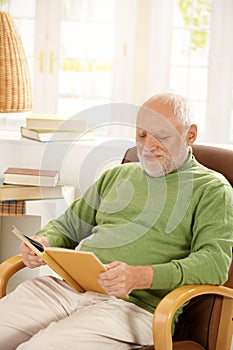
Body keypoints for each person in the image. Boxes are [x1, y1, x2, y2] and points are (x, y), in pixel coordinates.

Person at [0, 92, 233, 350]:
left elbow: (215, 264)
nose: (148, 146)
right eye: (141, 135)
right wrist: (43, 241)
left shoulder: (212, 189)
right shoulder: (118, 175)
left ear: (190, 135)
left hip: (133, 308)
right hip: (67, 289)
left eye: (161, 136)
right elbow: (66, 226)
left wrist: (141, 276)